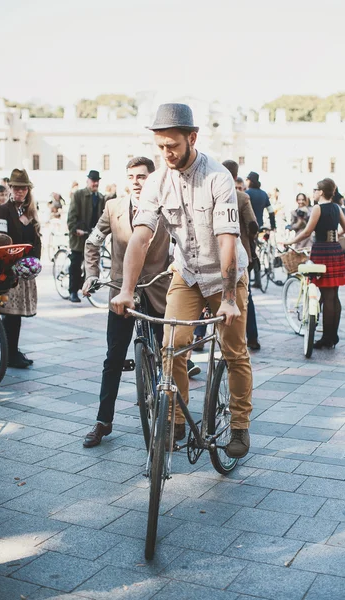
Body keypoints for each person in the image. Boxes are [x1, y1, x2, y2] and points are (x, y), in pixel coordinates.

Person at [111, 103, 253, 459]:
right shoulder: (158, 180)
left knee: (235, 352)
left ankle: (239, 425)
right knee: (172, 344)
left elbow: (227, 240)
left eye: (172, 145)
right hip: (187, 273)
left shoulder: (218, 177)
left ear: (192, 138)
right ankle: (175, 418)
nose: (166, 153)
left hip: (226, 275)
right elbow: (140, 237)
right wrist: (127, 290)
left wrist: (231, 298)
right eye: (160, 147)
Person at [81, 157, 171, 448]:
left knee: (167, 354)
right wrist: (91, 275)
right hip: (121, 291)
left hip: (157, 290)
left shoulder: (167, 207)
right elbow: (93, 242)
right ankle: (103, 421)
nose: (135, 181)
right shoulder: (113, 207)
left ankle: (171, 417)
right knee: (114, 357)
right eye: (131, 176)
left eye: (142, 176)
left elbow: (184, 243)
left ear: (153, 179)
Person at [291, 178, 345, 349]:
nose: (313, 192)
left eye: (315, 189)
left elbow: (308, 231)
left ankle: (326, 338)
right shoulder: (336, 207)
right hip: (335, 249)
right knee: (334, 295)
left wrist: (290, 242)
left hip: (322, 250)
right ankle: (333, 335)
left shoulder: (318, 208)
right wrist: (334, 235)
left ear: (321, 192)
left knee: (326, 294)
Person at [0, 169, 41, 368]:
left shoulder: (30, 211)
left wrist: (34, 260)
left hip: (26, 270)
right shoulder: (2, 210)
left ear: (28, 190)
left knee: (17, 315)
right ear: (10, 189)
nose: (20, 192)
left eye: (23, 188)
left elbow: (37, 238)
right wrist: (15, 259)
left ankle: (13, 351)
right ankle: (9, 353)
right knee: (10, 314)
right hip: (8, 269)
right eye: (16, 188)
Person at [223, 160, 260, 350]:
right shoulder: (242, 197)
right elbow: (253, 225)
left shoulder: (214, 193)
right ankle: (251, 337)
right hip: (241, 252)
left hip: (218, 252)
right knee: (246, 296)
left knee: (207, 293)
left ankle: (199, 336)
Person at [67, 170, 105, 303]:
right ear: (88, 181)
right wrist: (74, 229)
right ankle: (72, 291)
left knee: (90, 263)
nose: (95, 183)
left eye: (97, 181)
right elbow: (71, 214)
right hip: (79, 235)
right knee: (76, 264)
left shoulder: (100, 197)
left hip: (93, 235)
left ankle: (83, 286)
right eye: (93, 180)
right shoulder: (79, 194)